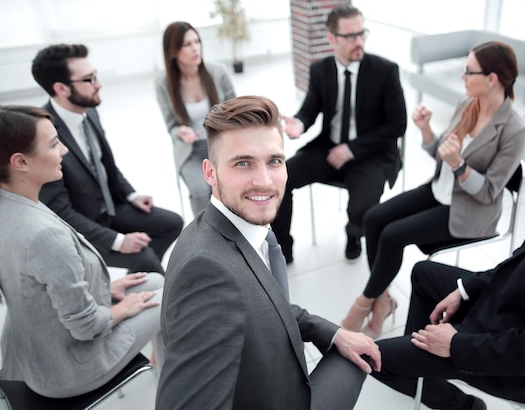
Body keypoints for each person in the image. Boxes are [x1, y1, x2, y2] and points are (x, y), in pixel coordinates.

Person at [370, 82, 525, 410]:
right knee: (424, 272)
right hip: (511, 300)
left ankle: (459, 402)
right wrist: (467, 290)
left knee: (370, 358)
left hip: (512, 356)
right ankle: (421, 369)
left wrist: (456, 346)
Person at [156, 95, 381, 410]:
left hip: (284, 381)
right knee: (365, 360)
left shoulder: (246, 224)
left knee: (362, 350)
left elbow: (266, 302)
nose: (264, 182)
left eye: (274, 161)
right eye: (243, 163)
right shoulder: (205, 272)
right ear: (209, 173)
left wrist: (332, 333)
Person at [341, 41, 525, 338]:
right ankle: (383, 300)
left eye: (469, 71)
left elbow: (489, 192)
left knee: (392, 236)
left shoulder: (515, 130)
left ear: (491, 79)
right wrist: (427, 131)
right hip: (439, 191)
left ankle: (366, 304)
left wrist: (459, 165)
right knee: (374, 218)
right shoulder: (467, 104)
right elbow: (442, 152)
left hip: (469, 212)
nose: (462, 77)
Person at [0, 105, 165, 398]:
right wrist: (123, 308)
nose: (65, 151)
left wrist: (105, 288)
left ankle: (166, 368)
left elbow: (39, 287)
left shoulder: (5, 202)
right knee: (173, 296)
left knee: (155, 281)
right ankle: (179, 388)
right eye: (55, 144)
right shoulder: (42, 234)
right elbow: (87, 328)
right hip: (69, 369)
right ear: (20, 161)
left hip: (38, 347)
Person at [31, 44, 184, 274]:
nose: (99, 84)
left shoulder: (88, 109)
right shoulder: (44, 134)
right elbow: (60, 212)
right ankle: (147, 277)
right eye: (89, 79)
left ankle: (140, 277)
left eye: (96, 75)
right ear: (61, 88)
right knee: (146, 259)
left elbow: (103, 163)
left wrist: (131, 194)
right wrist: (117, 240)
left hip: (111, 207)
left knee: (172, 223)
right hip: (80, 226)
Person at [271, 4, 407, 263]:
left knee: (362, 210)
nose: (359, 41)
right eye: (351, 36)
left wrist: (352, 149)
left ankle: (353, 233)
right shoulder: (320, 70)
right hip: (330, 148)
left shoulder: (385, 71)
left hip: (371, 154)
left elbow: (397, 125)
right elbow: (310, 109)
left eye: (362, 33)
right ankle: (282, 248)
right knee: (281, 178)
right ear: (331, 38)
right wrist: (299, 124)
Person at [155, 21, 236, 218]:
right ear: (172, 51)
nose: (195, 48)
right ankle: (205, 238)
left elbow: (236, 112)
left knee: (226, 189)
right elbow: (171, 125)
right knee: (200, 191)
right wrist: (180, 131)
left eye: (197, 41)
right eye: (187, 44)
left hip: (220, 146)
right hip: (190, 151)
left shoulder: (218, 71)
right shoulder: (163, 83)